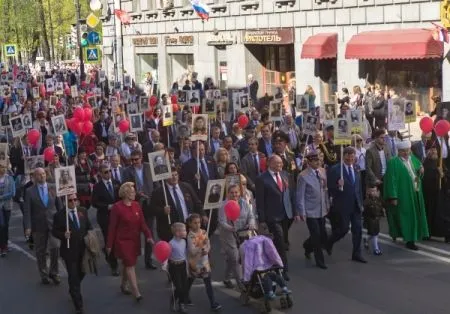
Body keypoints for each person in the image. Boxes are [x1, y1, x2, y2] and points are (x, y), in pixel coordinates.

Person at [107, 182, 153, 302]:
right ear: (126, 193)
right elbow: (112, 227)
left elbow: (142, 223)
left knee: (129, 264)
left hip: (135, 240)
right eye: (132, 191)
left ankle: (123, 284)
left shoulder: (137, 205)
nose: (134, 193)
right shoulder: (117, 207)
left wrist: (148, 236)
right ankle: (136, 292)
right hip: (122, 241)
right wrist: (109, 245)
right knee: (130, 264)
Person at [255, 155, 300, 280]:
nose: (280, 165)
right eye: (277, 163)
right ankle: (283, 269)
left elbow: (292, 194)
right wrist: (262, 219)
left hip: (286, 214)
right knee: (280, 241)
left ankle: (272, 260)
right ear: (270, 163)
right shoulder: (262, 179)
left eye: (281, 163)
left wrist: (295, 212)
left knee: (282, 241)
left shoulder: (286, 175)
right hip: (272, 216)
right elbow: (260, 200)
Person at [383, 140, 429, 250]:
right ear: (399, 151)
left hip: (416, 192)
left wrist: (421, 170)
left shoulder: (413, 159)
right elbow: (391, 180)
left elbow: (418, 171)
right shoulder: (393, 162)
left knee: (416, 215)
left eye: (408, 150)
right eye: (403, 151)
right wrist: (393, 196)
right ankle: (410, 240)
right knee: (407, 217)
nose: (406, 153)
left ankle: (417, 234)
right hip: (404, 194)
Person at [52, 194, 92, 314]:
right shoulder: (59, 215)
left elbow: (89, 226)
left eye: (75, 199)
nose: (73, 202)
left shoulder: (82, 211)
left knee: (82, 272)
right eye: (70, 200)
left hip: (83, 250)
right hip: (69, 251)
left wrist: (90, 237)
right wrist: (63, 235)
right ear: (65, 202)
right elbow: (54, 231)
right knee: (73, 277)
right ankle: (78, 305)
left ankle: (73, 288)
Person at [326, 147, 366, 263]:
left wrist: (361, 203)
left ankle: (357, 253)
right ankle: (329, 242)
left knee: (357, 229)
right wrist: (338, 185)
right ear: (343, 156)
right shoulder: (336, 169)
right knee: (343, 229)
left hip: (356, 204)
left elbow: (359, 188)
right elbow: (330, 188)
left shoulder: (356, 168)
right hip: (343, 205)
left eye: (352, 156)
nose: (350, 158)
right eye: (348, 155)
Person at [23, 168, 62, 284]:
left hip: (53, 223)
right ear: (34, 177)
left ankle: (54, 272)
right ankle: (43, 273)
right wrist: (28, 227)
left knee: (55, 247)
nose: (42, 176)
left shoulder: (53, 187)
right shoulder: (30, 191)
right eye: (39, 175)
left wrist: (63, 222)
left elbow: (59, 206)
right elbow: (27, 211)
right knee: (41, 251)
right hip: (38, 225)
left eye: (44, 174)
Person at [151, 168, 206, 241]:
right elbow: (152, 210)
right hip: (171, 230)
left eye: (176, 175)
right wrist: (162, 211)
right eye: (171, 175)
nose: (174, 177)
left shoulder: (186, 186)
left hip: (189, 226)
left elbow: (197, 202)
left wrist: (203, 214)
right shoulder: (158, 192)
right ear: (166, 177)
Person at [122, 150, 156, 269]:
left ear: (141, 158)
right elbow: (125, 188)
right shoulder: (127, 171)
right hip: (135, 204)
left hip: (149, 203)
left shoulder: (149, 167)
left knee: (149, 232)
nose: (134, 162)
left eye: (136, 159)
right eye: (132, 160)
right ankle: (132, 259)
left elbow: (156, 183)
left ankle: (148, 259)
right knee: (134, 233)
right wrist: (137, 194)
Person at [296, 151, 329, 269]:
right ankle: (320, 260)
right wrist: (302, 212)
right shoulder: (303, 176)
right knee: (316, 235)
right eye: (315, 161)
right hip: (310, 210)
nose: (318, 162)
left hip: (321, 208)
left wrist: (327, 204)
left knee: (322, 234)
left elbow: (325, 190)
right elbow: (300, 195)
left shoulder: (322, 171)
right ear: (309, 162)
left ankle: (307, 246)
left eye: (318, 160)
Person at [219, 184, 256, 288]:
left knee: (236, 258)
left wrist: (251, 223)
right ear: (228, 193)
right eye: (232, 192)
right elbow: (222, 221)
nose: (234, 194)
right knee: (235, 258)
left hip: (242, 233)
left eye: (236, 192)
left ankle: (226, 278)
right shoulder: (223, 205)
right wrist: (230, 228)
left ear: (239, 193)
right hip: (228, 235)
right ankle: (241, 284)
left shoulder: (244, 203)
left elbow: (251, 216)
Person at [186, 214, 222, 312]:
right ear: (190, 224)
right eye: (195, 223)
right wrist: (201, 244)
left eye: (199, 222)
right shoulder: (190, 236)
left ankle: (213, 303)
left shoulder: (204, 232)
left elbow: (208, 245)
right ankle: (184, 296)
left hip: (204, 263)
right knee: (190, 281)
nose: (198, 225)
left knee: (208, 284)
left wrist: (206, 249)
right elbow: (192, 251)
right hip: (195, 263)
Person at [91, 164, 120, 276]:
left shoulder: (117, 183)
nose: (108, 174)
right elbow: (94, 202)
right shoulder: (97, 187)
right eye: (105, 172)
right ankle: (114, 265)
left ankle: (113, 253)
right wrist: (106, 206)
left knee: (119, 238)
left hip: (117, 216)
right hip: (105, 217)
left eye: (109, 171)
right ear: (101, 174)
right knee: (110, 239)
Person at [168, 223, 189, 314]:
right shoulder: (171, 243)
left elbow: (185, 254)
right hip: (174, 266)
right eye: (184, 230)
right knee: (179, 286)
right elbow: (167, 255)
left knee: (184, 286)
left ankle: (181, 303)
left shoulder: (184, 241)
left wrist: (187, 265)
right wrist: (165, 264)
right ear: (177, 233)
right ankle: (178, 302)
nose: (186, 232)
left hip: (183, 265)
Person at [363, 186, 384, 255]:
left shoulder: (378, 199)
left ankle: (366, 239)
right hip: (370, 220)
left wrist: (382, 213)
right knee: (374, 234)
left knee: (375, 233)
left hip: (376, 219)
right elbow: (365, 212)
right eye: (372, 191)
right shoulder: (367, 201)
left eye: (375, 191)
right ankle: (376, 249)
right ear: (369, 192)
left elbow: (381, 207)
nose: (373, 192)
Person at [0, 163, 15, 257]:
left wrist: (1, 197)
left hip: (7, 206)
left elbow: (12, 193)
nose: (2, 169)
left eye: (3, 167)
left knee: (6, 226)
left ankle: (5, 243)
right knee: (2, 226)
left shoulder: (9, 178)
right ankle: (3, 247)